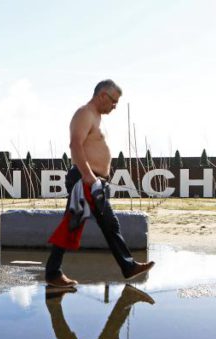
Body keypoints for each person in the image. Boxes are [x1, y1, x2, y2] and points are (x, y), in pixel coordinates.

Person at [45, 79, 155, 288]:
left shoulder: (95, 117)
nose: (115, 106)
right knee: (94, 224)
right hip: (86, 179)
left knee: (82, 224)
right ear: (102, 95)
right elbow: (75, 145)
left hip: (93, 180)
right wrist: (88, 176)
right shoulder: (84, 113)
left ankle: (54, 272)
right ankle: (127, 266)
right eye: (114, 101)